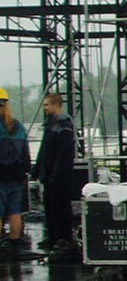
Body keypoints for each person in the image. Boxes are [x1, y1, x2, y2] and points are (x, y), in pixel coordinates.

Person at [34, 93, 75, 252]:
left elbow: (63, 153)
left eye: (46, 105)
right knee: (50, 208)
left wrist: (55, 174)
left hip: (59, 176)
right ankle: (53, 237)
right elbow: (44, 149)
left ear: (56, 105)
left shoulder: (64, 123)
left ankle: (63, 238)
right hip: (49, 174)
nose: (45, 108)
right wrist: (37, 170)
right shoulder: (50, 124)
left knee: (60, 208)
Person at [0, 88, 30, 250]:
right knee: (15, 210)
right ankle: (14, 242)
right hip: (17, 174)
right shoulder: (17, 126)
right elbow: (25, 150)